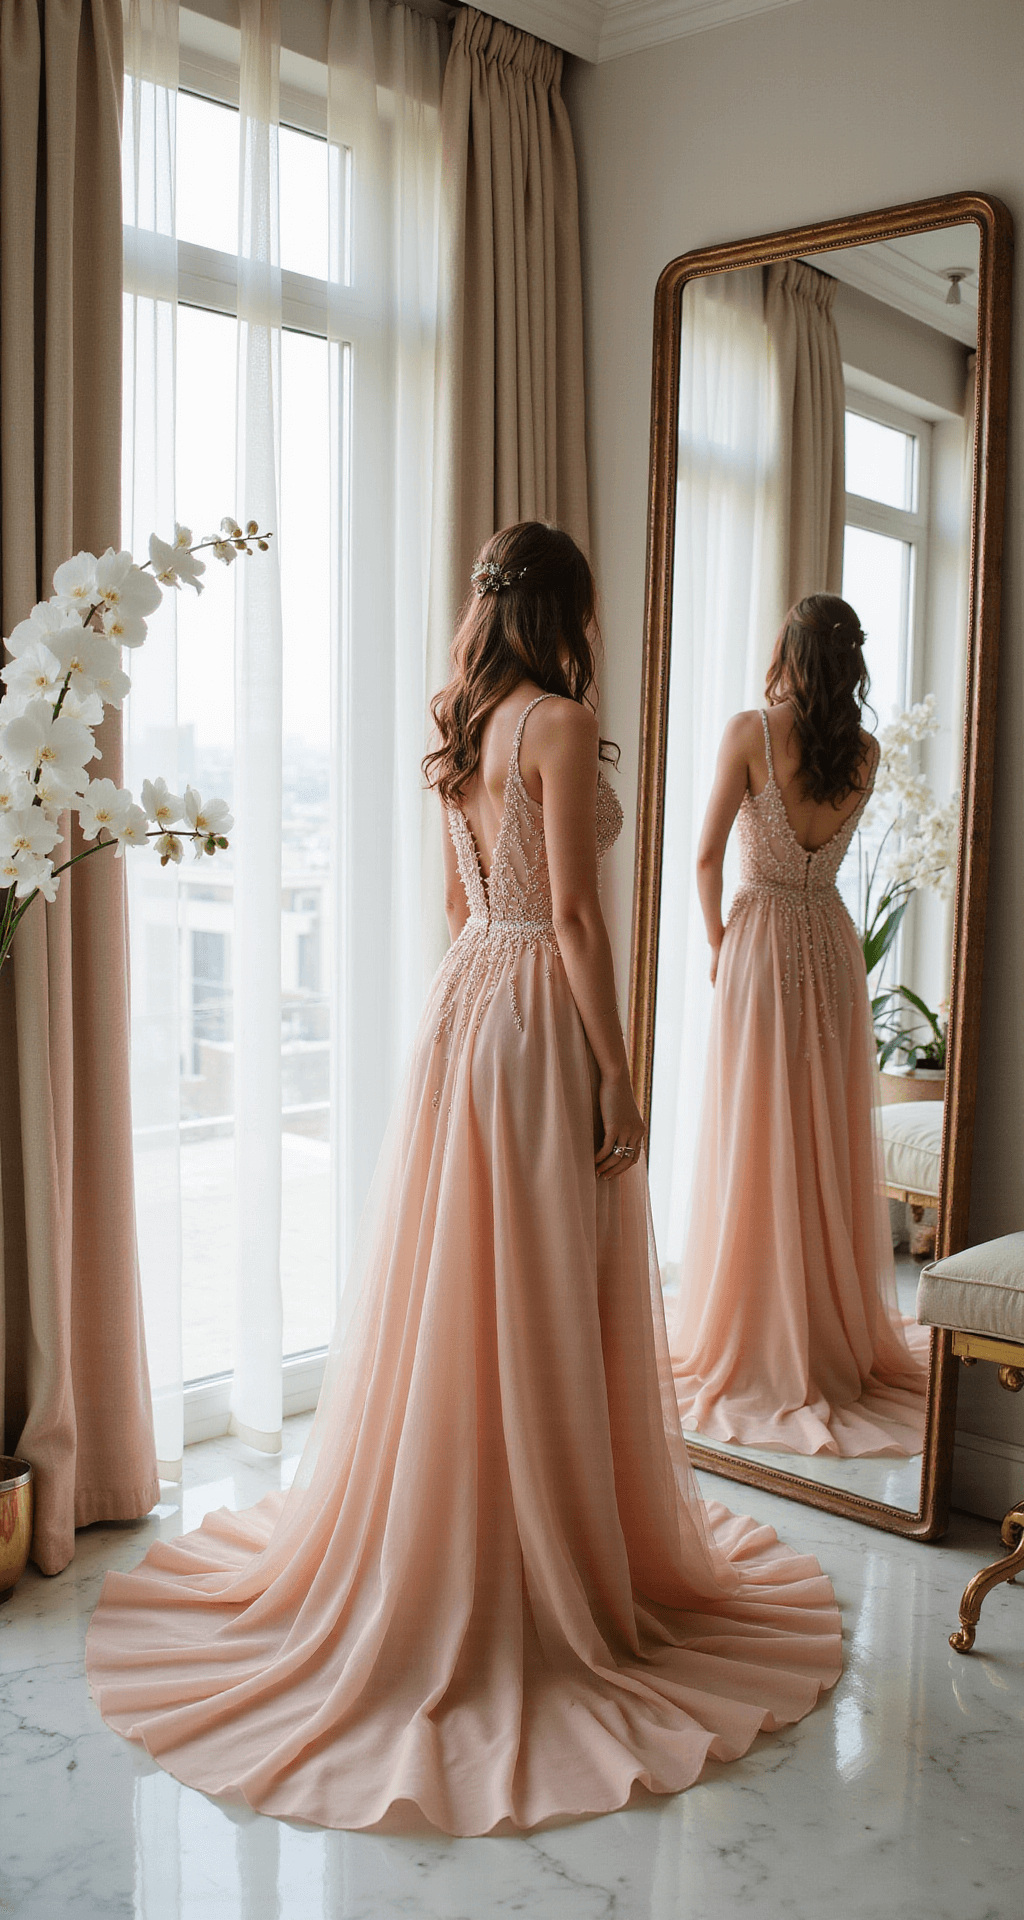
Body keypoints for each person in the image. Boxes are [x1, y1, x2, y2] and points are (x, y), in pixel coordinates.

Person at [86, 525, 841, 1838]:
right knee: (540, 1280)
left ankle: (466, 1539)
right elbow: (582, 920)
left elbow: (467, 902)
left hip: (467, 1007)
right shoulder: (556, 719)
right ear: (567, 609)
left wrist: (483, 1012)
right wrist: (618, 1072)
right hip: (542, 1015)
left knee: (467, 1274)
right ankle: (536, 1557)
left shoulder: (465, 722)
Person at [668, 593, 930, 1457]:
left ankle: (757, 1330)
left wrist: (716, 944)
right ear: (851, 663)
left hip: (762, 937)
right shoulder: (864, 749)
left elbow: (704, 856)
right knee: (818, 1134)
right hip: (827, 938)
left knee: (758, 1131)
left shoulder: (751, 730)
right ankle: (819, 1328)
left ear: (787, 648)